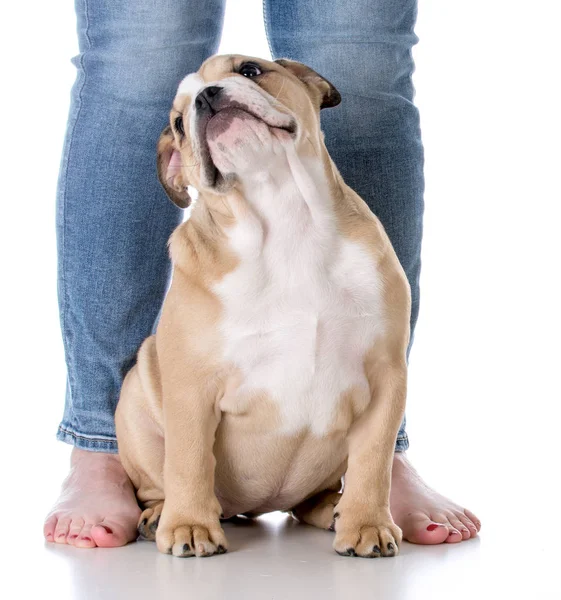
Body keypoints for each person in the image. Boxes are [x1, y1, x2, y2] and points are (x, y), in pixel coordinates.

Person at [44, 0, 480, 549]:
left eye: (248, 73)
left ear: (310, 88)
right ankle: (111, 453)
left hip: (325, 383)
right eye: (185, 120)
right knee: (138, 49)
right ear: (179, 168)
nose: (212, 98)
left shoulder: (371, 259)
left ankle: (368, 480)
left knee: (361, 49)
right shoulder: (199, 266)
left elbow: (382, 373)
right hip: (185, 436)